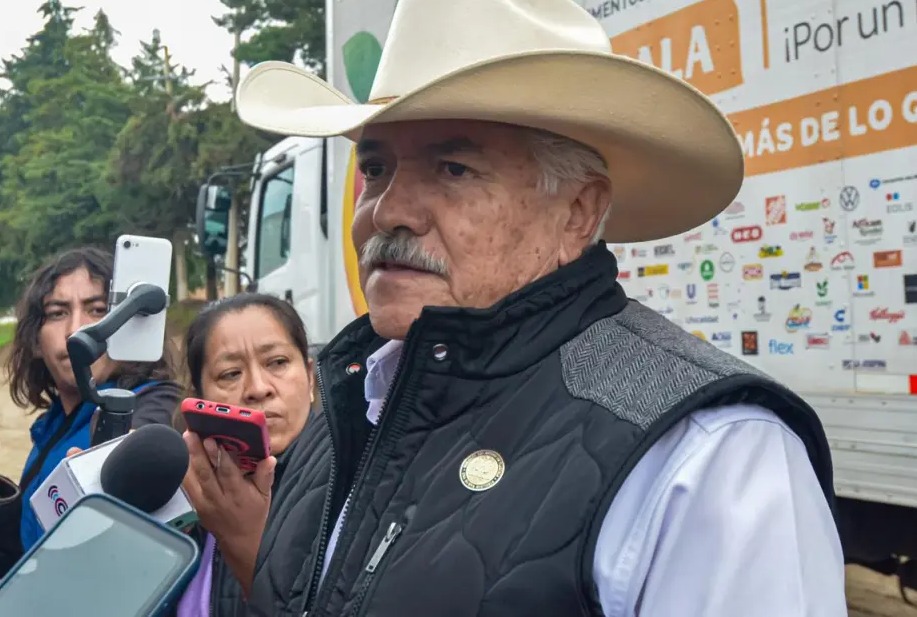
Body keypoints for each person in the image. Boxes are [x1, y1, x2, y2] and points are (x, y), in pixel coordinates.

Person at [196, 0, 846, 615]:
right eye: (375, 167)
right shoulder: (353, 396)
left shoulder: (710, 456)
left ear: (577, 211)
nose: (387, 210)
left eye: (452, 168)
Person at [3, 246, 181, 556]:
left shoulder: (154, 403)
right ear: (34, 341)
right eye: (57, 313)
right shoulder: (51, 423)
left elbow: (145, 448)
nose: (76, 330)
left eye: (97, 310)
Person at [176, 293, 315, 616]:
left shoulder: (355, 491)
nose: (257, 388)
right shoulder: (185, 496)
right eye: (230, 374)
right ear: (199, 398)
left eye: (277, 362)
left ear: (309, 377)